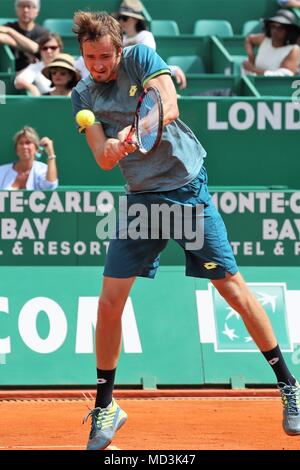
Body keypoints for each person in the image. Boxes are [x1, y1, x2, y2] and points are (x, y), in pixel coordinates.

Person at [71, 11, 300, 451]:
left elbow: (169, 105)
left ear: (119, 50)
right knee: (109, 302)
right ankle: (107, 406)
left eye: (104, 56)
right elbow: (100, 156)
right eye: (89, 57)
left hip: (185, 191)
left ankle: (288, 383)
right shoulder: (82, 93)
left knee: (232, 290)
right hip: (141, 200)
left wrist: (139, 130)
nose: (97, 65)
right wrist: (115, 148)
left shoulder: (140, 58)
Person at [75, 0, 187, 89]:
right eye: (119, 18)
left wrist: (172, 69)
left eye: (125, 18)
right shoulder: (119, 38)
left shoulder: (145, 36)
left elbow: (145, 63)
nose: (121, 22)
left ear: (135, 20)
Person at [243, 9, 300, 76]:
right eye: (273, 26)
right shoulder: (264, 40)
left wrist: (253, 69)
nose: (275, 30)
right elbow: (249, 39)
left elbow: (284, 75)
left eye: (281, 28)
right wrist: (251, 56)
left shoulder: (294, 50)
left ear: (289, 31)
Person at [0, 0, 48, 73]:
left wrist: (10, 32)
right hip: (11, 71)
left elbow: (35, 48)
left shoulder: (42, 32)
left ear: (37, 12)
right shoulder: (8, 26)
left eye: (29, 6)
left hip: (35, 72)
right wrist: (25, 47)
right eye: (21, 6)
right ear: (16, 10)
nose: (25, 10)